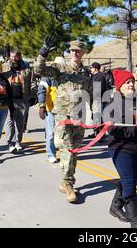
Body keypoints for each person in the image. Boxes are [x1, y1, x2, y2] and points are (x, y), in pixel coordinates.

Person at [35, 37, 92, 203]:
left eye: (78, 50)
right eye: (72, 50)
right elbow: (39, 70)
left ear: (83, 53)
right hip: (63, 117)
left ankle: (67, 181)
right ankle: (67, 184)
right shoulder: (61, 68)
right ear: (70, 52)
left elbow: (89, 93)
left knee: (75, 152)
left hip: (79, 117)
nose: (75, 53)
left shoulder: (85, 72)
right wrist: (43, 52)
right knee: (67, 150)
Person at [107, 69, 137, 228]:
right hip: (121, 147)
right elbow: (113, 130)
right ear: (120, 86)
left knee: (130, 179)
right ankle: (136, 224)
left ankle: (115, 206)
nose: (131, 84)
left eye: (132, 81)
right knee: (129, 185)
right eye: (127, 82)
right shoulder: (113, 104)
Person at [2, 50, 34, 153]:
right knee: (10, 122)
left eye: (15, 57)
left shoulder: (27, 68)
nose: (13, 58)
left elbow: (32, 82)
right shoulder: (5, 66)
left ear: (19, 57)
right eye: (11, 56)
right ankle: (10, 143)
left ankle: (18, 142)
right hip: (9, 99)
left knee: (20, 123)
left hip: (22, 99)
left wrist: (33, 95)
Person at [37, 69, 58, 164]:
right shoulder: (47, 77)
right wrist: (42, 106)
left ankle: (66, 153)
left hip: (64, 111)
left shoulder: (65, 76)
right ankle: (51, 154)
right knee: (50, 133)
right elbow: (41, 90)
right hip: (51, 109)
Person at [90, 62, 110, 141]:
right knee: (95, 117)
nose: (90, 69)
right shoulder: (95, 76)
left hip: (99, 100)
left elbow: (97, 90)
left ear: (95, 68)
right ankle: (96, 132)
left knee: (98, 118)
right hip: (97, 100)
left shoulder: (99, 76)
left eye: (91, 68)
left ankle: (101, 135)